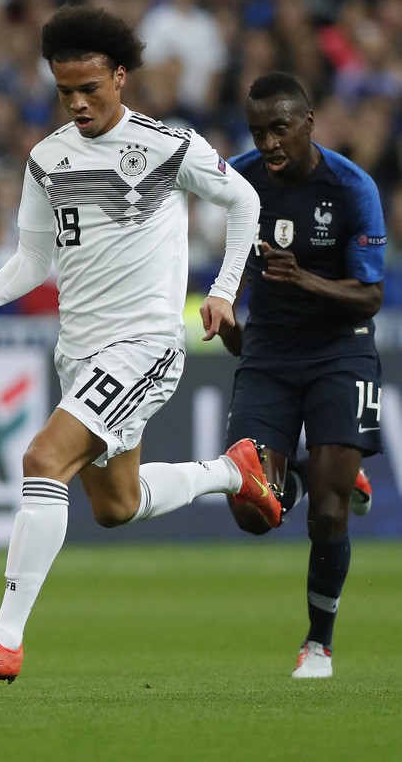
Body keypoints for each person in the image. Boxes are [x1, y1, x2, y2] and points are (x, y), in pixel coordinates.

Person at [0, 4, 283, 685]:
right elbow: (34, 261)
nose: (78, 103)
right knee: (116, 506)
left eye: (90, 87)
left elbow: (243, 202)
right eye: (65, 91)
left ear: (121, 76)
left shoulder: (166, 146)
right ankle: (233, 470)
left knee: (43, 456)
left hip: (145, 344)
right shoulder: (46, 158)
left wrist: (224, 290)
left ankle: (4, 636)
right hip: (80, 351)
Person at [221, 71, 385, 678]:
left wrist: (304, 279)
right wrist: (229, 314)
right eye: (258, 131)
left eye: (279, 129)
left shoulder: (351, 187)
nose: (268, 143)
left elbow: (370, 296)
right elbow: (233, 258)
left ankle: (318, 643)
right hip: (267, 352)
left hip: (340, 350)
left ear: (308, 122)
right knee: (253, 512)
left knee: (329, 513)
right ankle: (324, 472)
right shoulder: (237, 177)